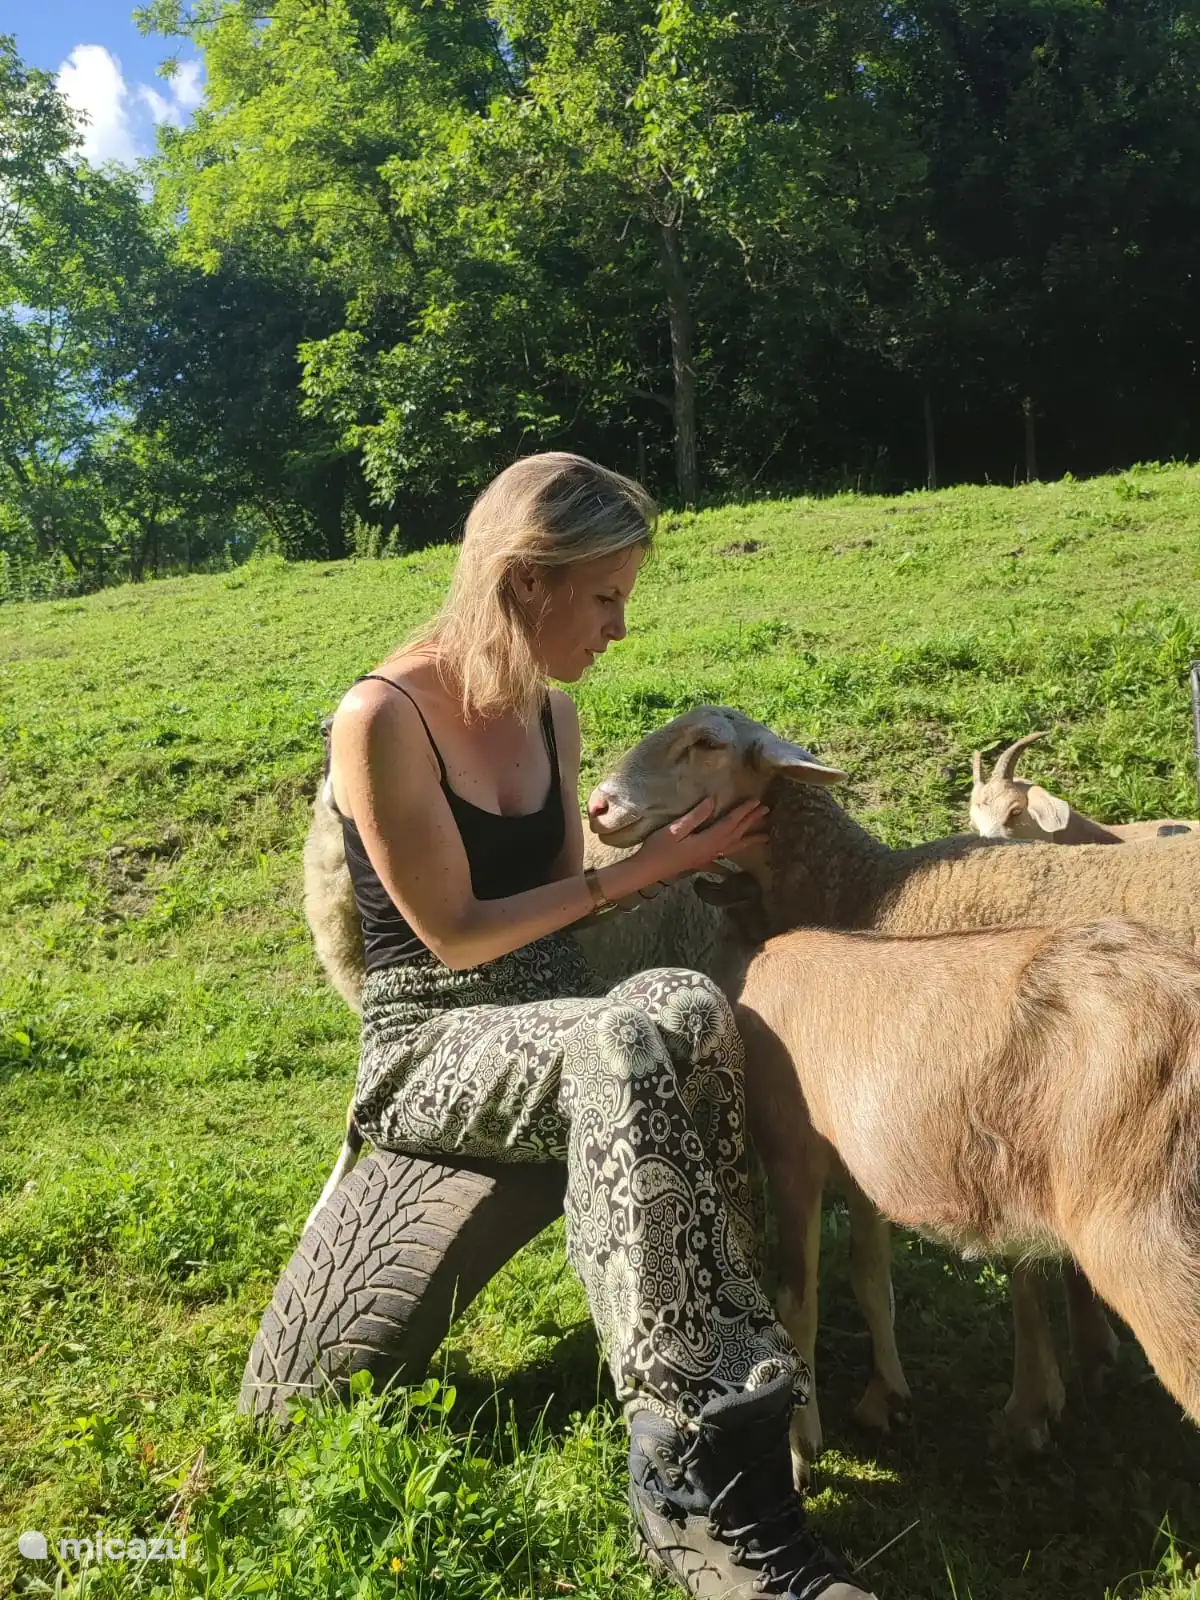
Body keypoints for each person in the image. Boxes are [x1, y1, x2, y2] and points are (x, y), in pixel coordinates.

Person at [325, 451, 876, 1600]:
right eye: (607, 594)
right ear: (529, 579)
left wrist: (699, 888)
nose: (621, 625)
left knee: (687, 1006)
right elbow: (462, 937)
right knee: (626, 1031)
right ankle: (695, 1485)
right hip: (430, 1038)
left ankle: (755, 1368)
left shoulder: (554, 715)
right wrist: (653, 872)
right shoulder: (383, 718)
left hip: (552, 1008)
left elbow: (566, 928)